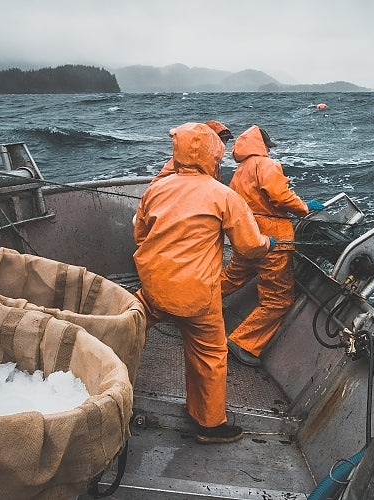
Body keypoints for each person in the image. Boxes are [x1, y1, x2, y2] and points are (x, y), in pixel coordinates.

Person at [133, 122, 274, 444]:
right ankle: (208, 424)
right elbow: (248, 247)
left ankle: (113, 394)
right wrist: (268, 243)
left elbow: (140, 236)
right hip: (197, 297)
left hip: (152, 289)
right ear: (214, 156)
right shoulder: (223, 196)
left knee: (130, 334)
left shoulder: (156, 188)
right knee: (209, 354)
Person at [220, 125, 325, 367]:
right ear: (263, 145)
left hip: (246, 238)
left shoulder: (240, 171)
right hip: (273, 241)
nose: (269, 150)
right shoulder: (267, 165)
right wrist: (304, 207)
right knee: (278, 300)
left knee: (231, 278)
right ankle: (243, 342)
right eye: (268, 146)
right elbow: (280, 196)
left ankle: (192, 306)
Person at [151, 120, 232, 183]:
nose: (223, 144)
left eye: (226, 140)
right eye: (220, 140)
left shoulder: (213, 161)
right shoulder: (184, 159)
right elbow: (157, 183)